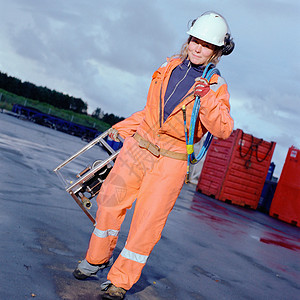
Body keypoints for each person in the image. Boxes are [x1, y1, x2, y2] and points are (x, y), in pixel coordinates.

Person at [73, 11, 235, 300]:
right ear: (189, 40)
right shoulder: (168, 66)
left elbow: (223, 128)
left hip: (170, 161)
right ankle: (96, 260)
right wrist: (123, 127)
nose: (198, 48)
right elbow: (152, 112)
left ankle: (120, 281)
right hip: (138, 147)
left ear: (217, 51)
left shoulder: (215, 87)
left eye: (206, 45)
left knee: (147, 223)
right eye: (195, 41)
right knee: (109, 202)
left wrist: (207, 99)